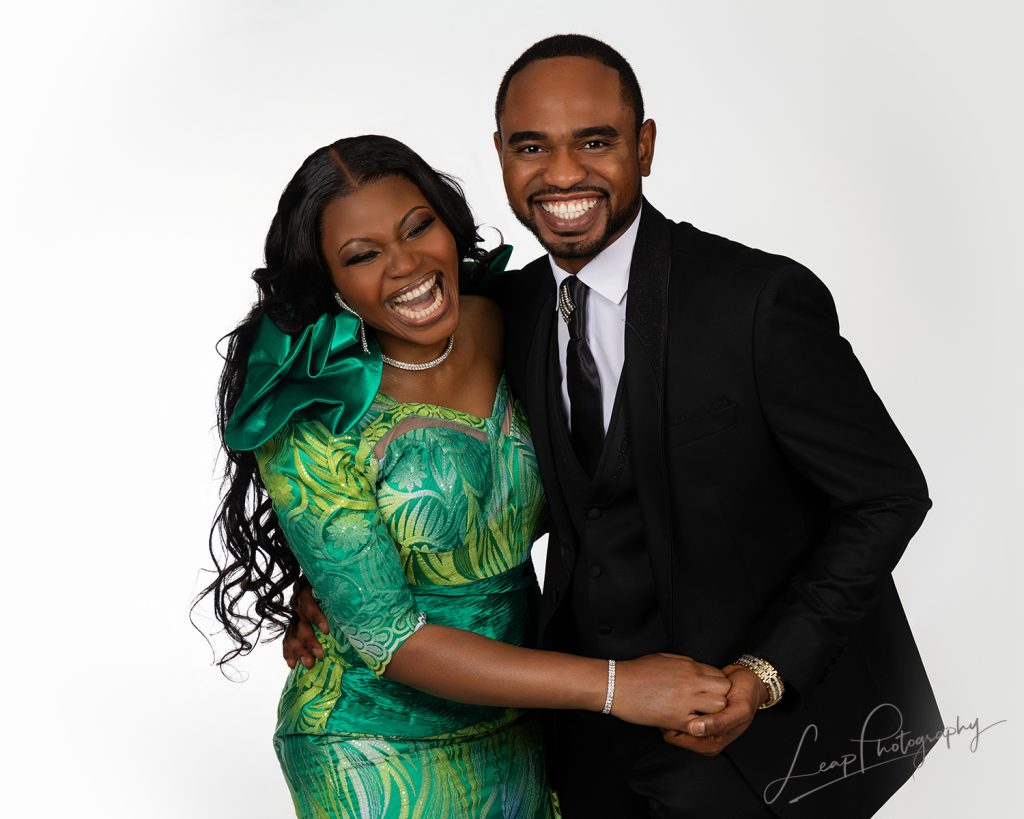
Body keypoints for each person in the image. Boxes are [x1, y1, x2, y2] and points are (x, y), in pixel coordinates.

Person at [289, 37, 943, 818]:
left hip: (756, 742)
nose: (563, 174)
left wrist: (765, 674)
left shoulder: (759, 302)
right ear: (501, 156)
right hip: (578, 741)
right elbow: (383, 437)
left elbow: (886, 496)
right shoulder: (509, 310)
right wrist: (332, 572)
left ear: (645, 145)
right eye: (533, 147)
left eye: (594, 142)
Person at [203, 134, 735, 818]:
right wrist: (614, 686)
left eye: (417, 227)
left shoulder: (520, 319)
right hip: (371, 743)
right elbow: (391, 638)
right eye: (362, 256)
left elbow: (598, 496)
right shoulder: (311, 417)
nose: (405, 266)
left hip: (522, 719)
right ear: (328, 283)